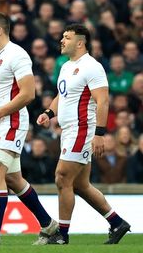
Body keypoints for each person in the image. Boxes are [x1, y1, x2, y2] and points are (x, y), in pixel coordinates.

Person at [0, 12, 58, 246]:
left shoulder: (18, 55)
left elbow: (28, 93)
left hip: (13, 121)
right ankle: (49, 225)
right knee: (14, 180)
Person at [37, 24, 130, 244]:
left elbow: (103, 101)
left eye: (67, 37)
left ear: (80, 42)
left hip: (83, 129)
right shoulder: (66, 66)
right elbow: (62, 96)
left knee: (62, 176)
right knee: (80, 185)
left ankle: (62, 234)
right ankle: (117, 223)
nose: (61, 40)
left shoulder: (92, 67)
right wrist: (49, 112)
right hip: (68, 130)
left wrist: (99, 133)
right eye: (62, 36)